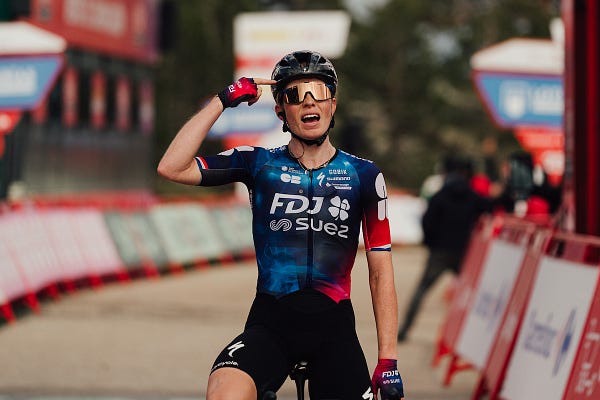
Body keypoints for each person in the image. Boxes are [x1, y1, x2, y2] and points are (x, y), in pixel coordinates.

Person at [157, 50, 404, 400]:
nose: (308, 102)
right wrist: (222, 100)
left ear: (332, 104)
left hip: (334, 329)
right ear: (280, 112)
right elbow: (172, 167)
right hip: (271, 324)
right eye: (294, 95)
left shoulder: (364, 175)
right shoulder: (259, 163)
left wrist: (388, 361)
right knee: (224, 394)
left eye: (318, 92)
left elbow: (380, 272)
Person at [397, 156, 493, 342]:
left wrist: (430, 243)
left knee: (421, 291)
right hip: (463, 252)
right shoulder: (472, 196)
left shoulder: (440, 196)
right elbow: (490, 207)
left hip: (439, 252)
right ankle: (478, 336)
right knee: (474, 294)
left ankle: (405, 329)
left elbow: (427, 222)